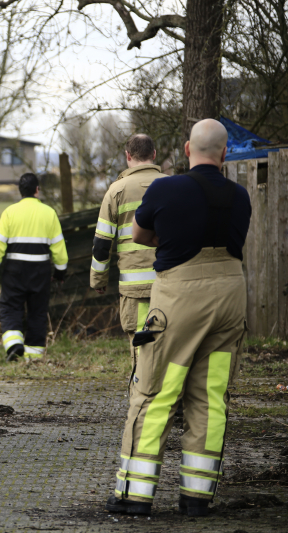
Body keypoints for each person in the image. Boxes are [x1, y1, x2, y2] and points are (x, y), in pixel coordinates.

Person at [106, 119, 251, 517]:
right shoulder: (241, 197)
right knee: (210, 397)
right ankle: (197, 497)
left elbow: (138, 235)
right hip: (231, 298)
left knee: (155, 393)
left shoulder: (166, 188)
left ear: (187, 149)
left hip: (179, 299)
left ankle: (134, 495)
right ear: (225, 154)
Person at [90, 134, 167, 378]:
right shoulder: (172, 186)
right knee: (169, 342)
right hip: (169, 282)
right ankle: (173, 400)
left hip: (134, 289)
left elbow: (102, 244)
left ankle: (143, 400)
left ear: (127, 156)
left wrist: (98, 280)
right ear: (154, 154)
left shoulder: (116, 191)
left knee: (141, 343)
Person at [0, 173, 68, 362]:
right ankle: (33, 356)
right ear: (37, 190)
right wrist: (60, 271)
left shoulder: (9, 213)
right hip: (41, 270)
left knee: (10, 307)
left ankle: (14, 344)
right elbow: (59, 247)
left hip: (15, 271)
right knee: (38, 311)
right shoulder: (49, 213)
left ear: (20, 191)